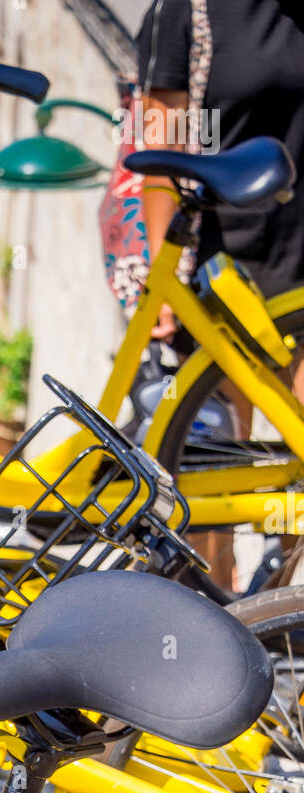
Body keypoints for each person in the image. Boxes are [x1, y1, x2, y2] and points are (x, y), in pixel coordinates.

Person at [137, 0, 304, 586]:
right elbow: (161, 150)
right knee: (216, 461)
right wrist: (159, 277)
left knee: (297, 461)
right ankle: (213, 605)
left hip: (301, 263)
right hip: (224, 263)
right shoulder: (188, 12)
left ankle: (279, 610)